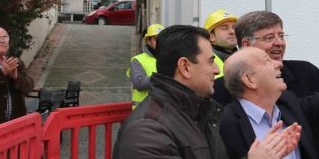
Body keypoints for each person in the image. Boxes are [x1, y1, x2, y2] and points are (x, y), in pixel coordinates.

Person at [114, 25, 300, 159]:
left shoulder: (203, 113)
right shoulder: (146, 132)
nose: (217, 70)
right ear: (185, 67)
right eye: (210, 61)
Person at [213, 11, 319, 105]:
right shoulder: (221, 90)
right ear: (246, 44)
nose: (279, 43)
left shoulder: (306, 73)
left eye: (281, 36)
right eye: (269, 38)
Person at [127, 23, 164, 109]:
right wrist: (162, 75)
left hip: (163, 111)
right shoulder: (138, 60)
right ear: (148, 41)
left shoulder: (169, 59)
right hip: (143, 112)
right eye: (157, 39)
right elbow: (140, 84)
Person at [204, 9, 238, 78]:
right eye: (225, 28)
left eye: (234, 27)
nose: (232, 31)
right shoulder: (204, 61)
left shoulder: (245, 57)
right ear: (211, 37)